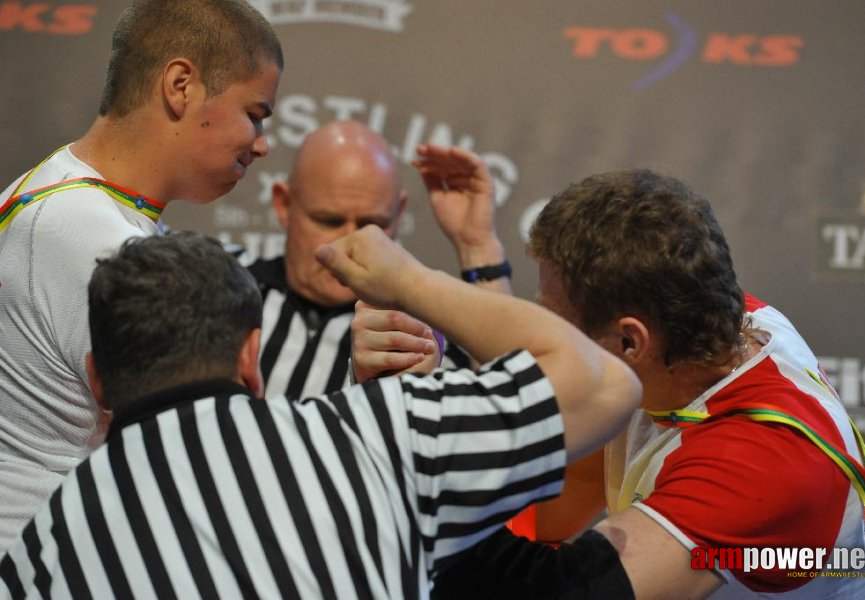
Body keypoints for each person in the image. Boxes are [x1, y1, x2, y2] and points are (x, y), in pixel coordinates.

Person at [0, 230, 641, 598]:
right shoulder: (369, 436)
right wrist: (412, 282)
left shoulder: (41, 550)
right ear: (251, 357)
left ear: (97, 380)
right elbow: (604, 383)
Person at [354, 169, 865, 598]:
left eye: (554, 320)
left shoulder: (760, 462)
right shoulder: (718, 328)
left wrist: (411, 291)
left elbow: (555, 590)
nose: (544, 335)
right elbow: (550, 403)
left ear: (631, 341)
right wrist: (417, 380)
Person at [0, 0, 282, 552]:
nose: (263, 142)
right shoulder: (92, 234)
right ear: (180, 86)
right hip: (51, 563)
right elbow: (200, 455)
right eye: (255, 113)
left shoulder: (51, 188)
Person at [248, 119, 510, 397]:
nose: (350, 243)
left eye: (372, 224)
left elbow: (513, 408)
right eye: (328, 220)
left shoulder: (422, 336)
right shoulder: (224, 287)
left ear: (398, 215)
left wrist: (477, 245)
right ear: (283, 205)